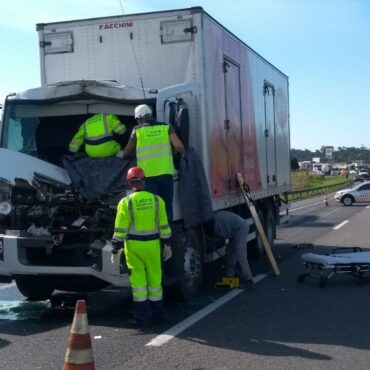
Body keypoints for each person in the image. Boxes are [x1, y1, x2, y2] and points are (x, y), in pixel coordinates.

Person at [111, 166, 172, 327]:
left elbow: (120, 228)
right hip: (153, 246)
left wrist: (115, 247)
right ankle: (158, 316)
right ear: (144, 181)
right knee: (155, 281)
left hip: (134, 247)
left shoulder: (125, 203)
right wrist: (167, 244)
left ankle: (142, 319)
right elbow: (164, 226)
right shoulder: (157, 201)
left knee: (138, 284)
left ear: (130, 183)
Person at [120, 104, 184, 223]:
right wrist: (178, 155)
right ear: (150, 115)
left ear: (139, 118)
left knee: (151, 207)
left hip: (148, 177)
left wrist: (123, 156)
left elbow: (127, 152)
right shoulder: (166, 127)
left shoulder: (137, 131)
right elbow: (179, 147)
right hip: (166, 174)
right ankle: (167, 234)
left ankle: (152, 233)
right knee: (166, 206)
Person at [204, 210, 254, 287]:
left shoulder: (216, 225)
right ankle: (229, 276)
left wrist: (209, 240)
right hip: (234, 230)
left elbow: (219, 238)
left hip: (241, 228)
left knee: (240, 253)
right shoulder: (214, 219)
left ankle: (248, 279)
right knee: (229, 253)